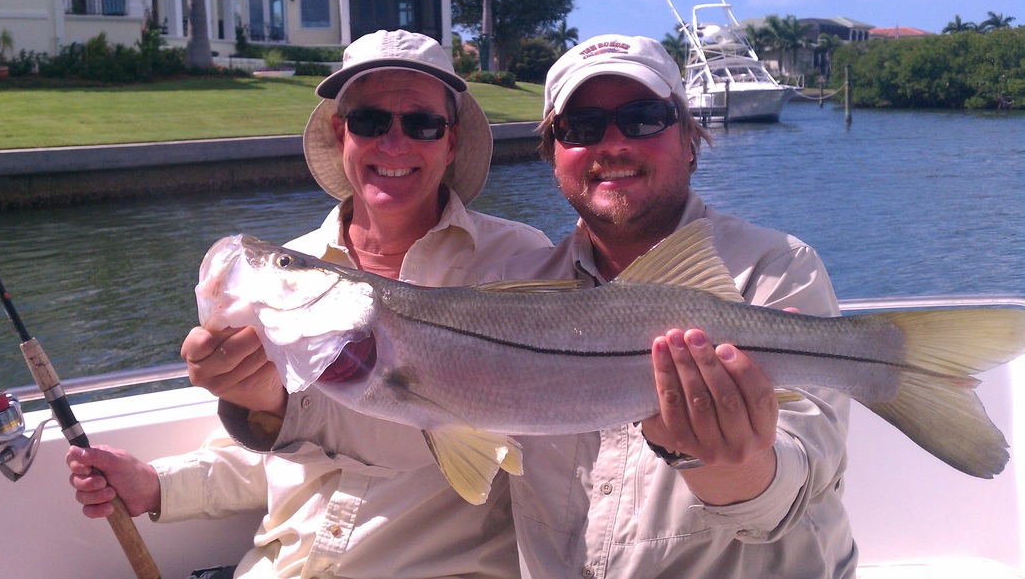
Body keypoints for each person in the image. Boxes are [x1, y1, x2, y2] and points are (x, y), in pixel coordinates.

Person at [66, 29, 551, 579]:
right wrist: (156, 485)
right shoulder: (287, 272)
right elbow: (260, 457)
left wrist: (284, 411)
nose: (394, 144)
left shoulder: (520, 261)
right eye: (370, 121)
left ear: (451, 142)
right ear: (340, 133)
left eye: (421, 124)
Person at [492, 34, 856, 578]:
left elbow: (797, 486)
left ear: (689, 139)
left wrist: (721, 458)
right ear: (553, 156)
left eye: (642, 118)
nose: (612, 143)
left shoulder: (779, 268)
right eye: (582, 127)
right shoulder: (512, 292)